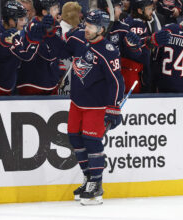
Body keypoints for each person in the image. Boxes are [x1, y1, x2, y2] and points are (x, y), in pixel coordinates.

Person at [39, 9, 124, 205]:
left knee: (92, 142)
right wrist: (51, 33)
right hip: (77, 103)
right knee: (75, 139)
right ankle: (88, 179)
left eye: (91, 26)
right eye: (86, 24)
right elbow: (61, 51)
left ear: (101, 29)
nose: (86, 29)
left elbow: (116, 82)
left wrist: (114, 108)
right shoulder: (78, 38)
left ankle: (97, 184)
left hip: (96, 106)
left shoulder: (108, 50)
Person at [0, 0, 39, 96]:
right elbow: (25, 56)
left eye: (25, 19)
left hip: (3, 80)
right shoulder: (5, 35)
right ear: (10, 20)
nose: (24, 22)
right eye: (21, 19)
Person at [16, 0, 63, 95]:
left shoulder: (55, 25)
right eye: (54, 9)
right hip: (33, 83)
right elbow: (50, 54)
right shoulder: (32, 27)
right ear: (45, 12)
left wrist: (59, 71)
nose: (57, 11)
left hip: (49, 81)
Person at [97, 0, 143, 93]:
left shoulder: (123, 28)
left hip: (114, 81)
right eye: (118, 7)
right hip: (96, 80)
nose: (121, 11)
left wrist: (133, 47)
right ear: (109, 9)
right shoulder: (91, 27)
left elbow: (137, 55)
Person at [124, 0, 155, 92]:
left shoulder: (130, 20)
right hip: (137, 74)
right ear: (140, 11)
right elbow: (139, 53)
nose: (151, 12)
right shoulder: (137, 24)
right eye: (149, 9)